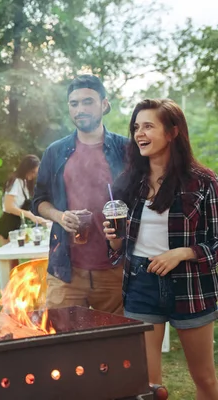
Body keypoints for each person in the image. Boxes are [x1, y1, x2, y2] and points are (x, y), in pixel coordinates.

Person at [104, 99, 218, 396]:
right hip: (141, 283)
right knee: (148, 386)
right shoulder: (128, 183)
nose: (139, 133)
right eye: (136, 127)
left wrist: (183, 253)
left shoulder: (204, 183)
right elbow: (118, 246)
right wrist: (113, 237)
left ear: (172, 132)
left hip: (191, 285)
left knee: (204, 379)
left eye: (148, 126)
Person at [32, 74, 128, 314]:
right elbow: (39, 202)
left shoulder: (125, 149)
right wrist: (60, 216)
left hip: (115, 270)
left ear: (104, 104)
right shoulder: (55, 152)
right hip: (66, 271)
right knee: (65, 346)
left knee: (117, 347)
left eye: (88, 102)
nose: (80, 109)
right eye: (74, 104)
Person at [0, 154, 47, 244]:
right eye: (33, 172)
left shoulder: (24, 184)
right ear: (26, 169)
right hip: (7, 225)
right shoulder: (15, 181)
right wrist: (30, 215)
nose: (34, 175)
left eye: (36, 173)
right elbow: (9, 207)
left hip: (17, 224)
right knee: (9, 257)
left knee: (16, 257)